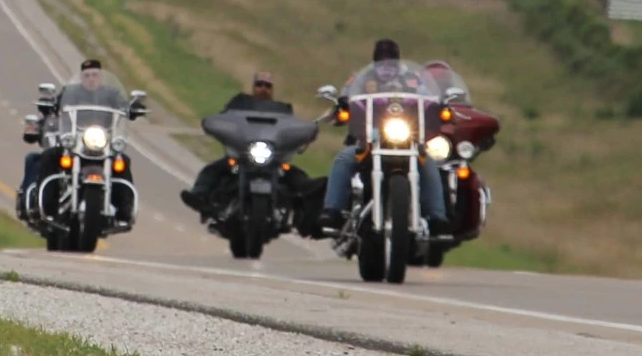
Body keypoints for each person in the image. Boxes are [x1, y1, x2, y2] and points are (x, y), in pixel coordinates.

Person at [317, 39, 448, 235]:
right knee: (344, 158)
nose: (386, 65)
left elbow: (428, 97)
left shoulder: (412, 79)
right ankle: (332, 210)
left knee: (428, 162)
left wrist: (439, 106)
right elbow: (347, 94)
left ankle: (437, 217)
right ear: (375, 60)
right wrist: (343, 103)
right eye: (382, 60)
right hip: (370, 139)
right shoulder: (362, 78)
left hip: (407, 139)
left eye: (391, 60)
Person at [179, 71, 313, 215]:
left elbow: (291, 129)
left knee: (299, 178)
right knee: (212, 170)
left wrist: (303, 137)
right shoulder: (240, 103)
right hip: (241, 153)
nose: (263, 88)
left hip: (272, 157)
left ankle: (310, 213)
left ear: (272, 89)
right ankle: (199, 196)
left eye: (267, 86)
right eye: (259, 84)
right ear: (253, 87)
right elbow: (224, 119)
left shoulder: (283, 109)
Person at [34, 59, 138, 223]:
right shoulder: (72, 92)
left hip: (102, 141)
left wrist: (132, 108)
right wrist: (49, 104)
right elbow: (57, 104)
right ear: (82, 77)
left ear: (100, 77)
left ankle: (125, 210)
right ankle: (47, 205)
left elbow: (124, 106)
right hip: (75, 140)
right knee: (49, 157)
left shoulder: (111, 94)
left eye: (95, 75)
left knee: (122, 162)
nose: (91, 79)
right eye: (87, 75)